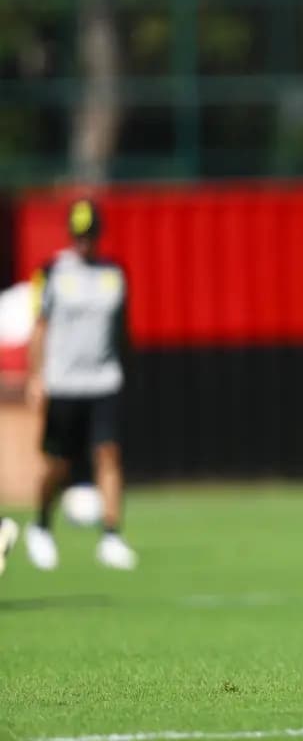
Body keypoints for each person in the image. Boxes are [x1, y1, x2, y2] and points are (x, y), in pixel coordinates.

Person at [24, 198, 137, 571]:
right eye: (78, 235)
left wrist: (126, 370)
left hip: (104, 380)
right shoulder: (53, 272)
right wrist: (36, 377)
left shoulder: (114, 275)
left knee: (109, 454)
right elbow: (40, 329)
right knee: (57, 464)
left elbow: (121, 330)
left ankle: (112, 536)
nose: (83, 242)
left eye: (89, 235)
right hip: (64, 383)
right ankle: (41, 526)